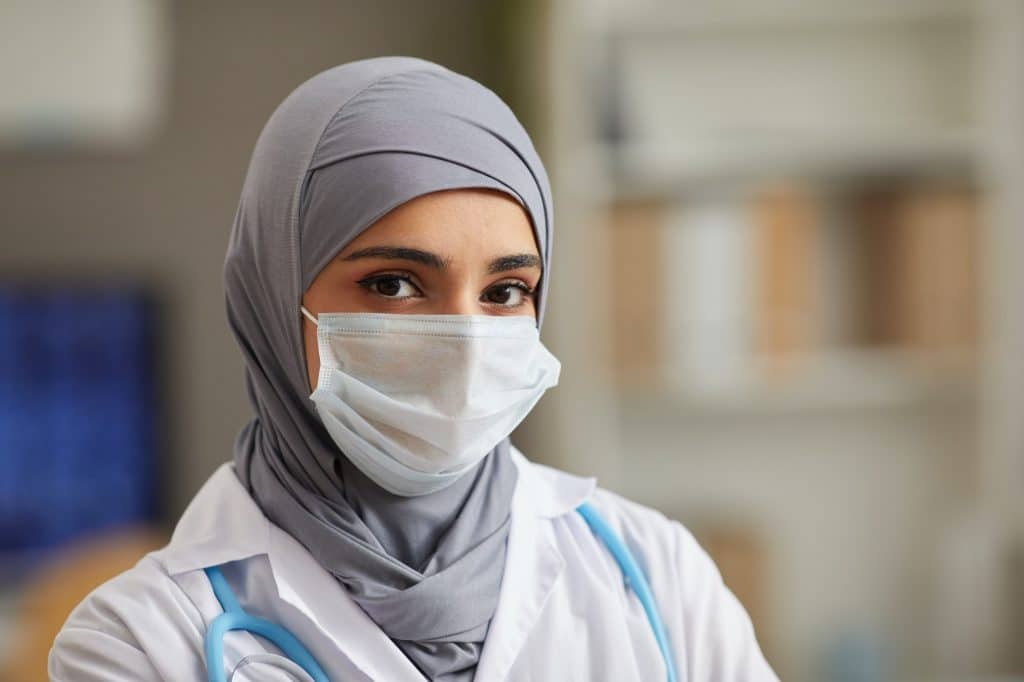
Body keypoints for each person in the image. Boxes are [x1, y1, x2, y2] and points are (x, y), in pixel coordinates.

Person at [48, 56, 777, 681]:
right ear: (274, 293)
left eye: (504, 292)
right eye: (394, 284)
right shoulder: (138, 643)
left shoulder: (654, 576)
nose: (462, 341)